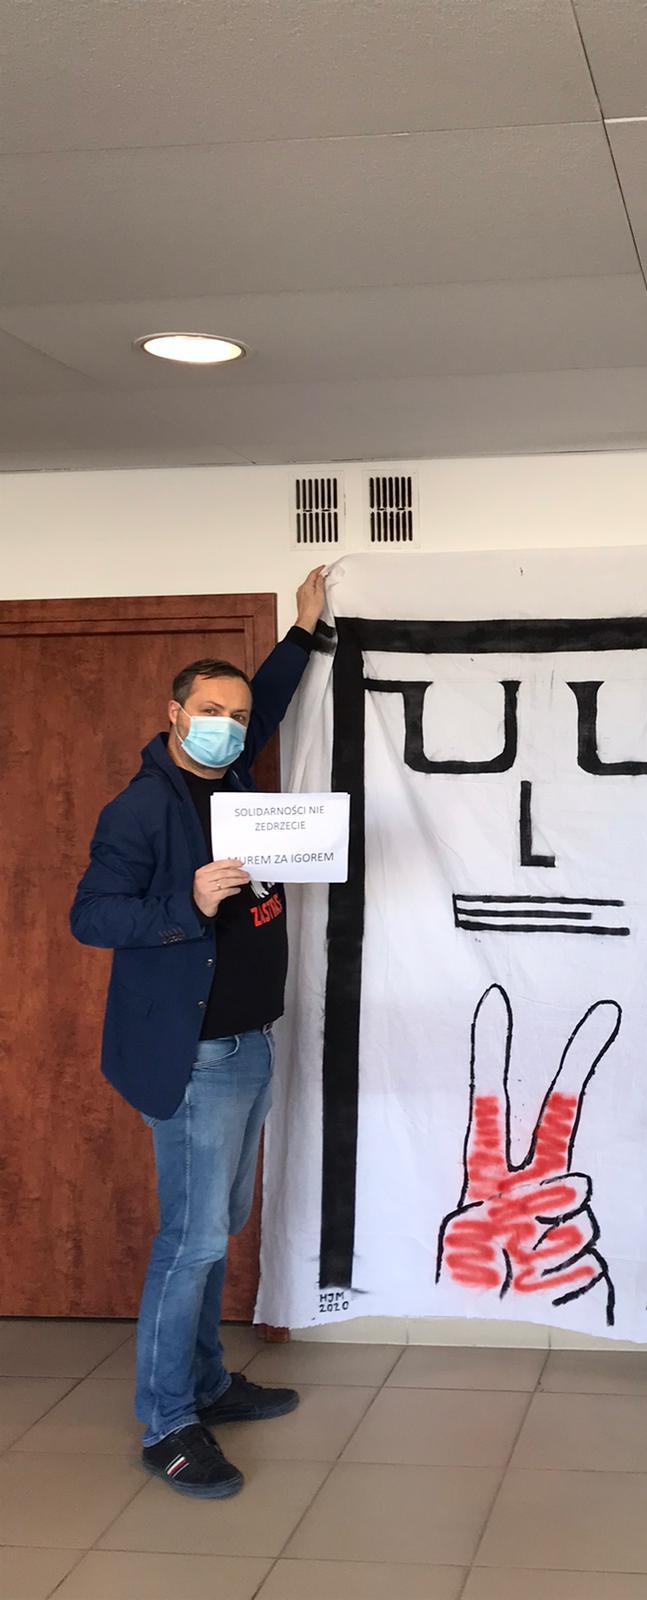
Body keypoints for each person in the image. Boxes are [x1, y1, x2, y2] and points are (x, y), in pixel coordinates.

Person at [70, 568, 326, 1498]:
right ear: (174, 714)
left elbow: (272, 703)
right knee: (192, 1240)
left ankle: (209, 1383)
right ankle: (168, 1424)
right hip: (195, 1059)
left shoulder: (238, 779)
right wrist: (186, 901)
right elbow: (91, 916)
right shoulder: (142, 808)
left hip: (250, 1044)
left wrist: (303, 633)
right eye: (210, 711)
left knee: (221, 1227)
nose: (227, 724)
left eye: (236, 715)